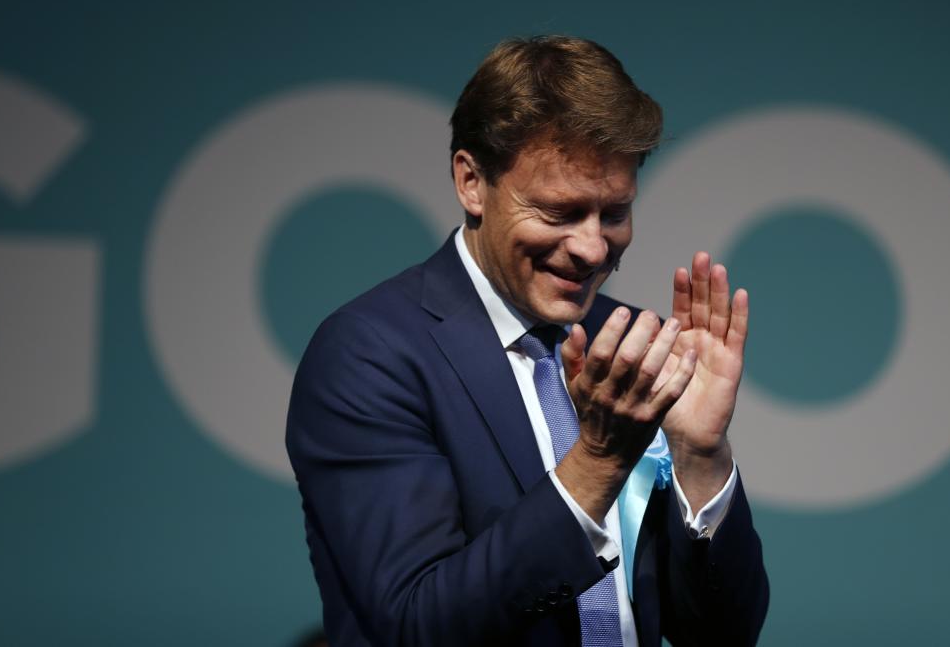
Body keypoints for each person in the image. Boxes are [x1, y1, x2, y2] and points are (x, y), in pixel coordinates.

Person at [286, 36, 769, 646]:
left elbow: (721, 635)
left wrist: (700, 455)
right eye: (559, 212)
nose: (594, 248)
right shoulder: (369, 354)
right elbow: (417, 625)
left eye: (614, 213)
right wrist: (597, 463)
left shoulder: (624, 348)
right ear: (471, 182)